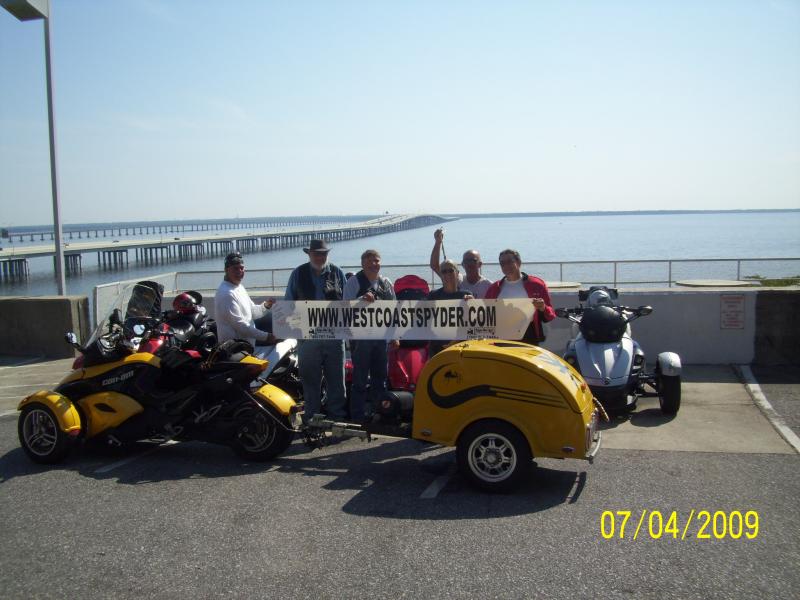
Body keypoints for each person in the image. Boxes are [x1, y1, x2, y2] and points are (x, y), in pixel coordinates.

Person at [284, 239, 348, 422]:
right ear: (309, 254)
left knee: (337, 381)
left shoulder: (337, 272)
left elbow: (348, 301)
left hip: (334, 337)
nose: (320, 257)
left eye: (324, 253)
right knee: (310, 381)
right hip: (307, 338)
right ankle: (312, 419)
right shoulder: (298, 273)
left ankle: (337, 418)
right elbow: (288, 303)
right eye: (317, 253)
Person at [343, 249, 396, 422]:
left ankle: (379, 412)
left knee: (380, 378)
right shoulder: (353, 282)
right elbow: (344, 309)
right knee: (359, 380)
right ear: (362, 263)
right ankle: (357, 416)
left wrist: (395, 336)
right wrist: (360, 300)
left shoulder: (386, 282)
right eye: (370, 261)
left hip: (381, 338)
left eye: (377, 260)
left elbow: (394, 311)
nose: (374, 264)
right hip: (361, 339)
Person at [484, 249, 555, 344]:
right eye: (502, 263)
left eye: (509, 261)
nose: (506, 265)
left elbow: (550, 315)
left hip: (528, 334)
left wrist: (543, 307)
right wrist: (470, 302)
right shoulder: (494, 288)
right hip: (501, 336)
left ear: (519, 262)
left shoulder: (537, 284)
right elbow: (484, 313)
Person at [214, 251, 276, 348]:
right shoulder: (226, 294)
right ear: (226, 270)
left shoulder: (239, 287)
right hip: (233, 351)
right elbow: (241, 326)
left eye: (242, 268)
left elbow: (253, 313)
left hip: (247, 348)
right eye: (235, 268)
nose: (239, 271)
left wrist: (266, 306)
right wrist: (267, 337)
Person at [427, 259, 473, 356]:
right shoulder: (433, 295)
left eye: (451, 270)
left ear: (457, 273)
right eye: (444, 271)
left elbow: (473, 322)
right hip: (437, 347)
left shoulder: (466, 295)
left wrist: (474, 305)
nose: (447, 274)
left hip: (461, 346)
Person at [429, 228, 492, 298]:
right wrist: (438, 242)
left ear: (480, 264)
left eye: (473, 261)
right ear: (462, 265)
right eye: (466, 261)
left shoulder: (488, 286)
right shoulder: (458, 279)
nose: (469, 264)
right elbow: (435, 266)